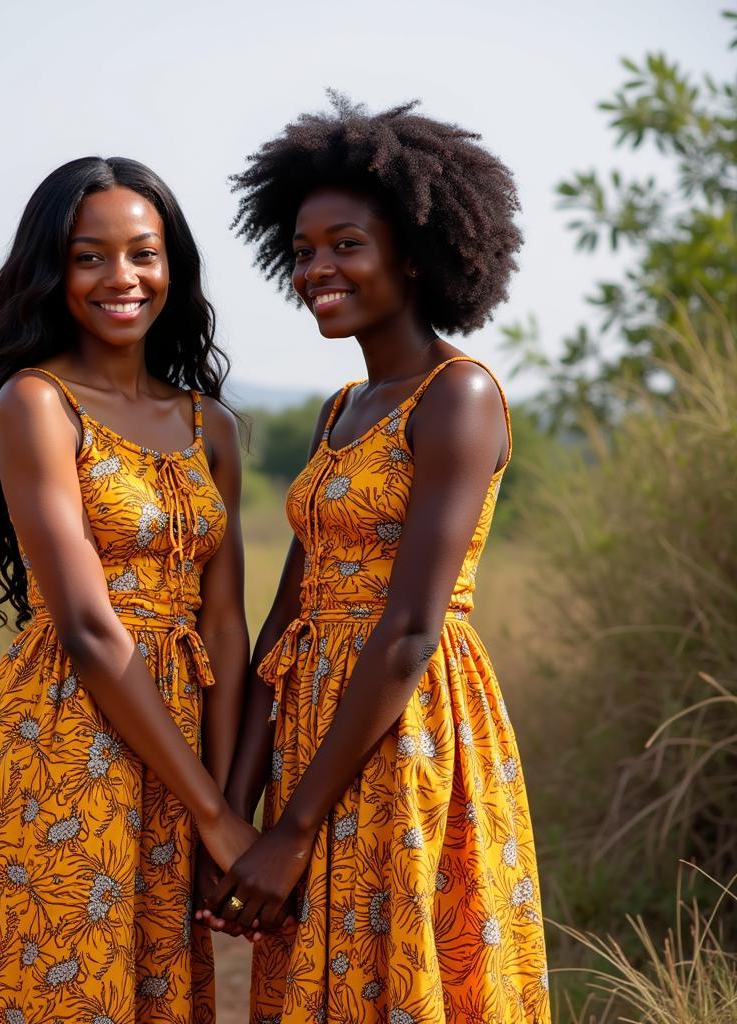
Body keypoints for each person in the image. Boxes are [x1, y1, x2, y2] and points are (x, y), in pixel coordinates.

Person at [207, 96, 551, 1024]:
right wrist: (233, 809)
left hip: (402, 727)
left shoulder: (459, 396)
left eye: (345, 244)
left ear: (413, 253)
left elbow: (406, 632)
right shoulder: (342, 409)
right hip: (314, 724)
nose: (318, 267)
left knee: (398, 973)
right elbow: (289, 613)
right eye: (305, 249)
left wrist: (289, 830)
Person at [0, 156, 255, 1024]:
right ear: (52, 272)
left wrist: (223, 803)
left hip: (182, 754)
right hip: (69, 737)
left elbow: (223, 623)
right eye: (88, 256)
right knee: (64, 989)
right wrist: (215, 815)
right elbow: (87, 629)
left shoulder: (209, 425)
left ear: (172, 266)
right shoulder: (37, 404)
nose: (121, 279)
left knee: (156, 994)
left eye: (143, 253)